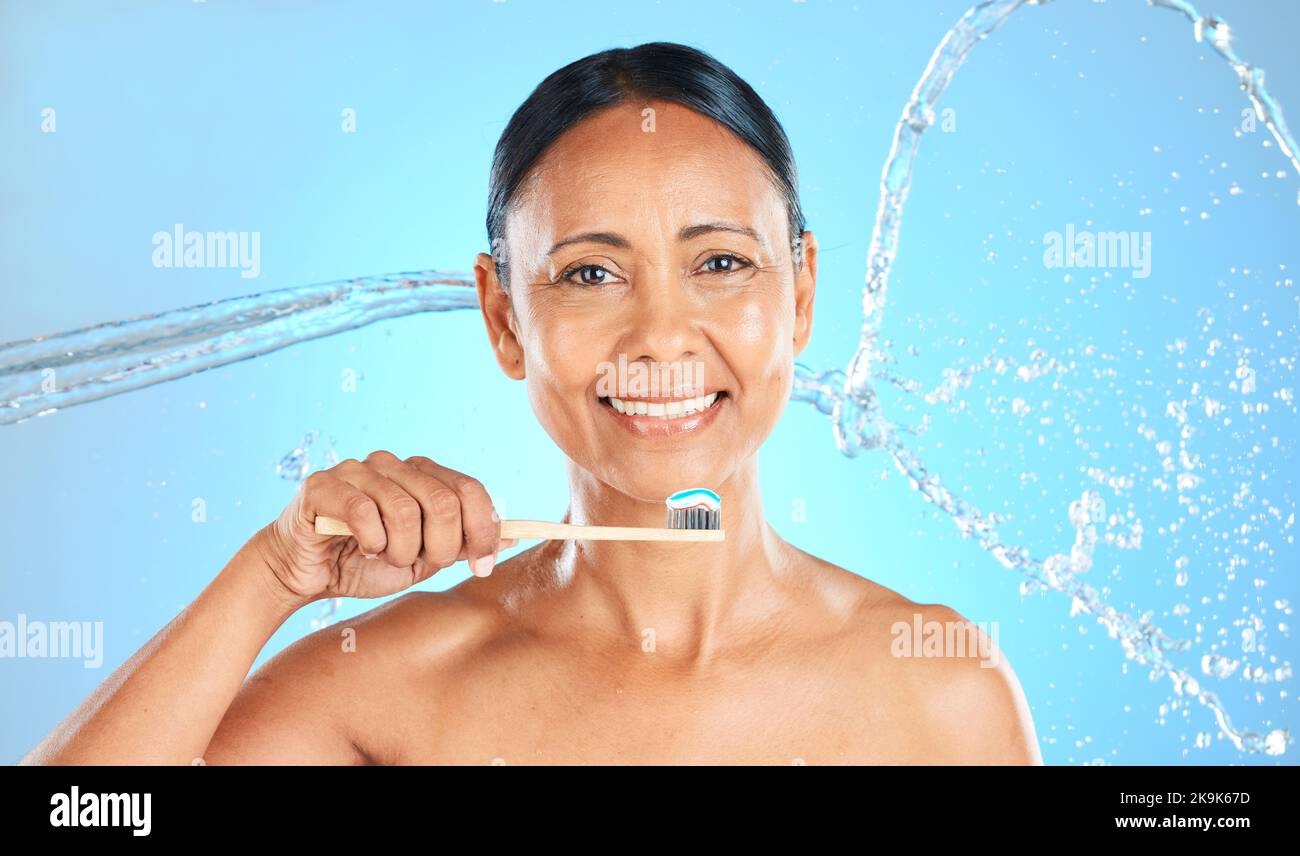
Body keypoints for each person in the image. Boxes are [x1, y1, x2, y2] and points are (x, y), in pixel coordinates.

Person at [23, 41, 1040, 765]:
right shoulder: (380, 693)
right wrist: (271, 574)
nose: (661, 337)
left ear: (802, 292)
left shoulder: (938, 693)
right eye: (591, 274)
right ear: (503, 318)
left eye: (720, 262)